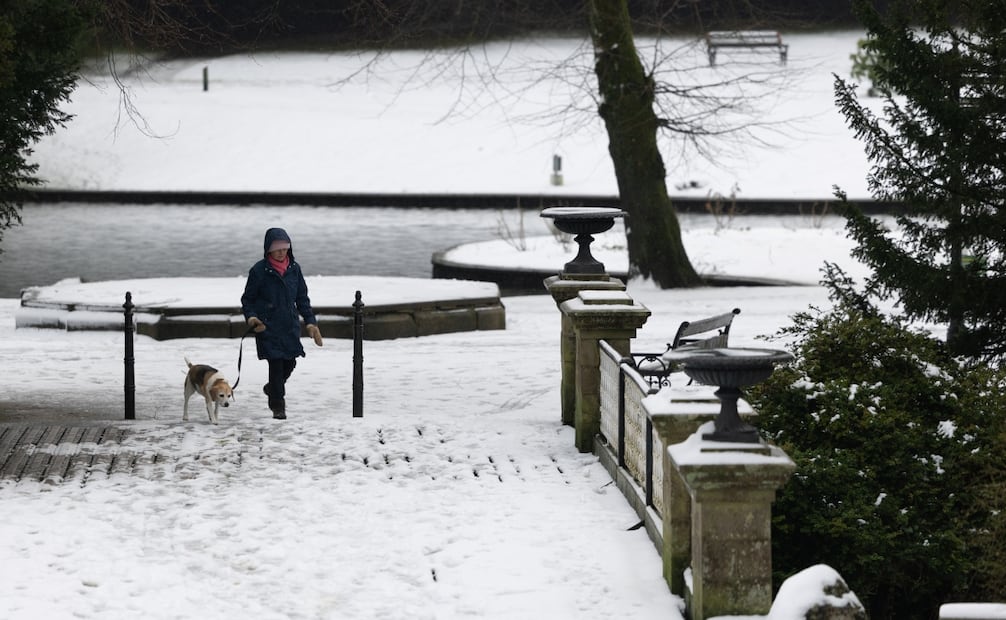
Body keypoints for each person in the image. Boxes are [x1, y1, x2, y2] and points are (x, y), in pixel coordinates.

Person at [241, 227, 323, 419]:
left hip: (289, 326)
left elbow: (302, 298)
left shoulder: (295, 269)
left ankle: (272, 388)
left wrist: (310, 322)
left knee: (290, 362)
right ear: (268, 249)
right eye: (277, 249)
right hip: (267, 327)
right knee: (276, 365)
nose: (281, 252)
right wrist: (252, 318)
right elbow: (247, 300)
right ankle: (278, 406)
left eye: (285, 248)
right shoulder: (259, 271)